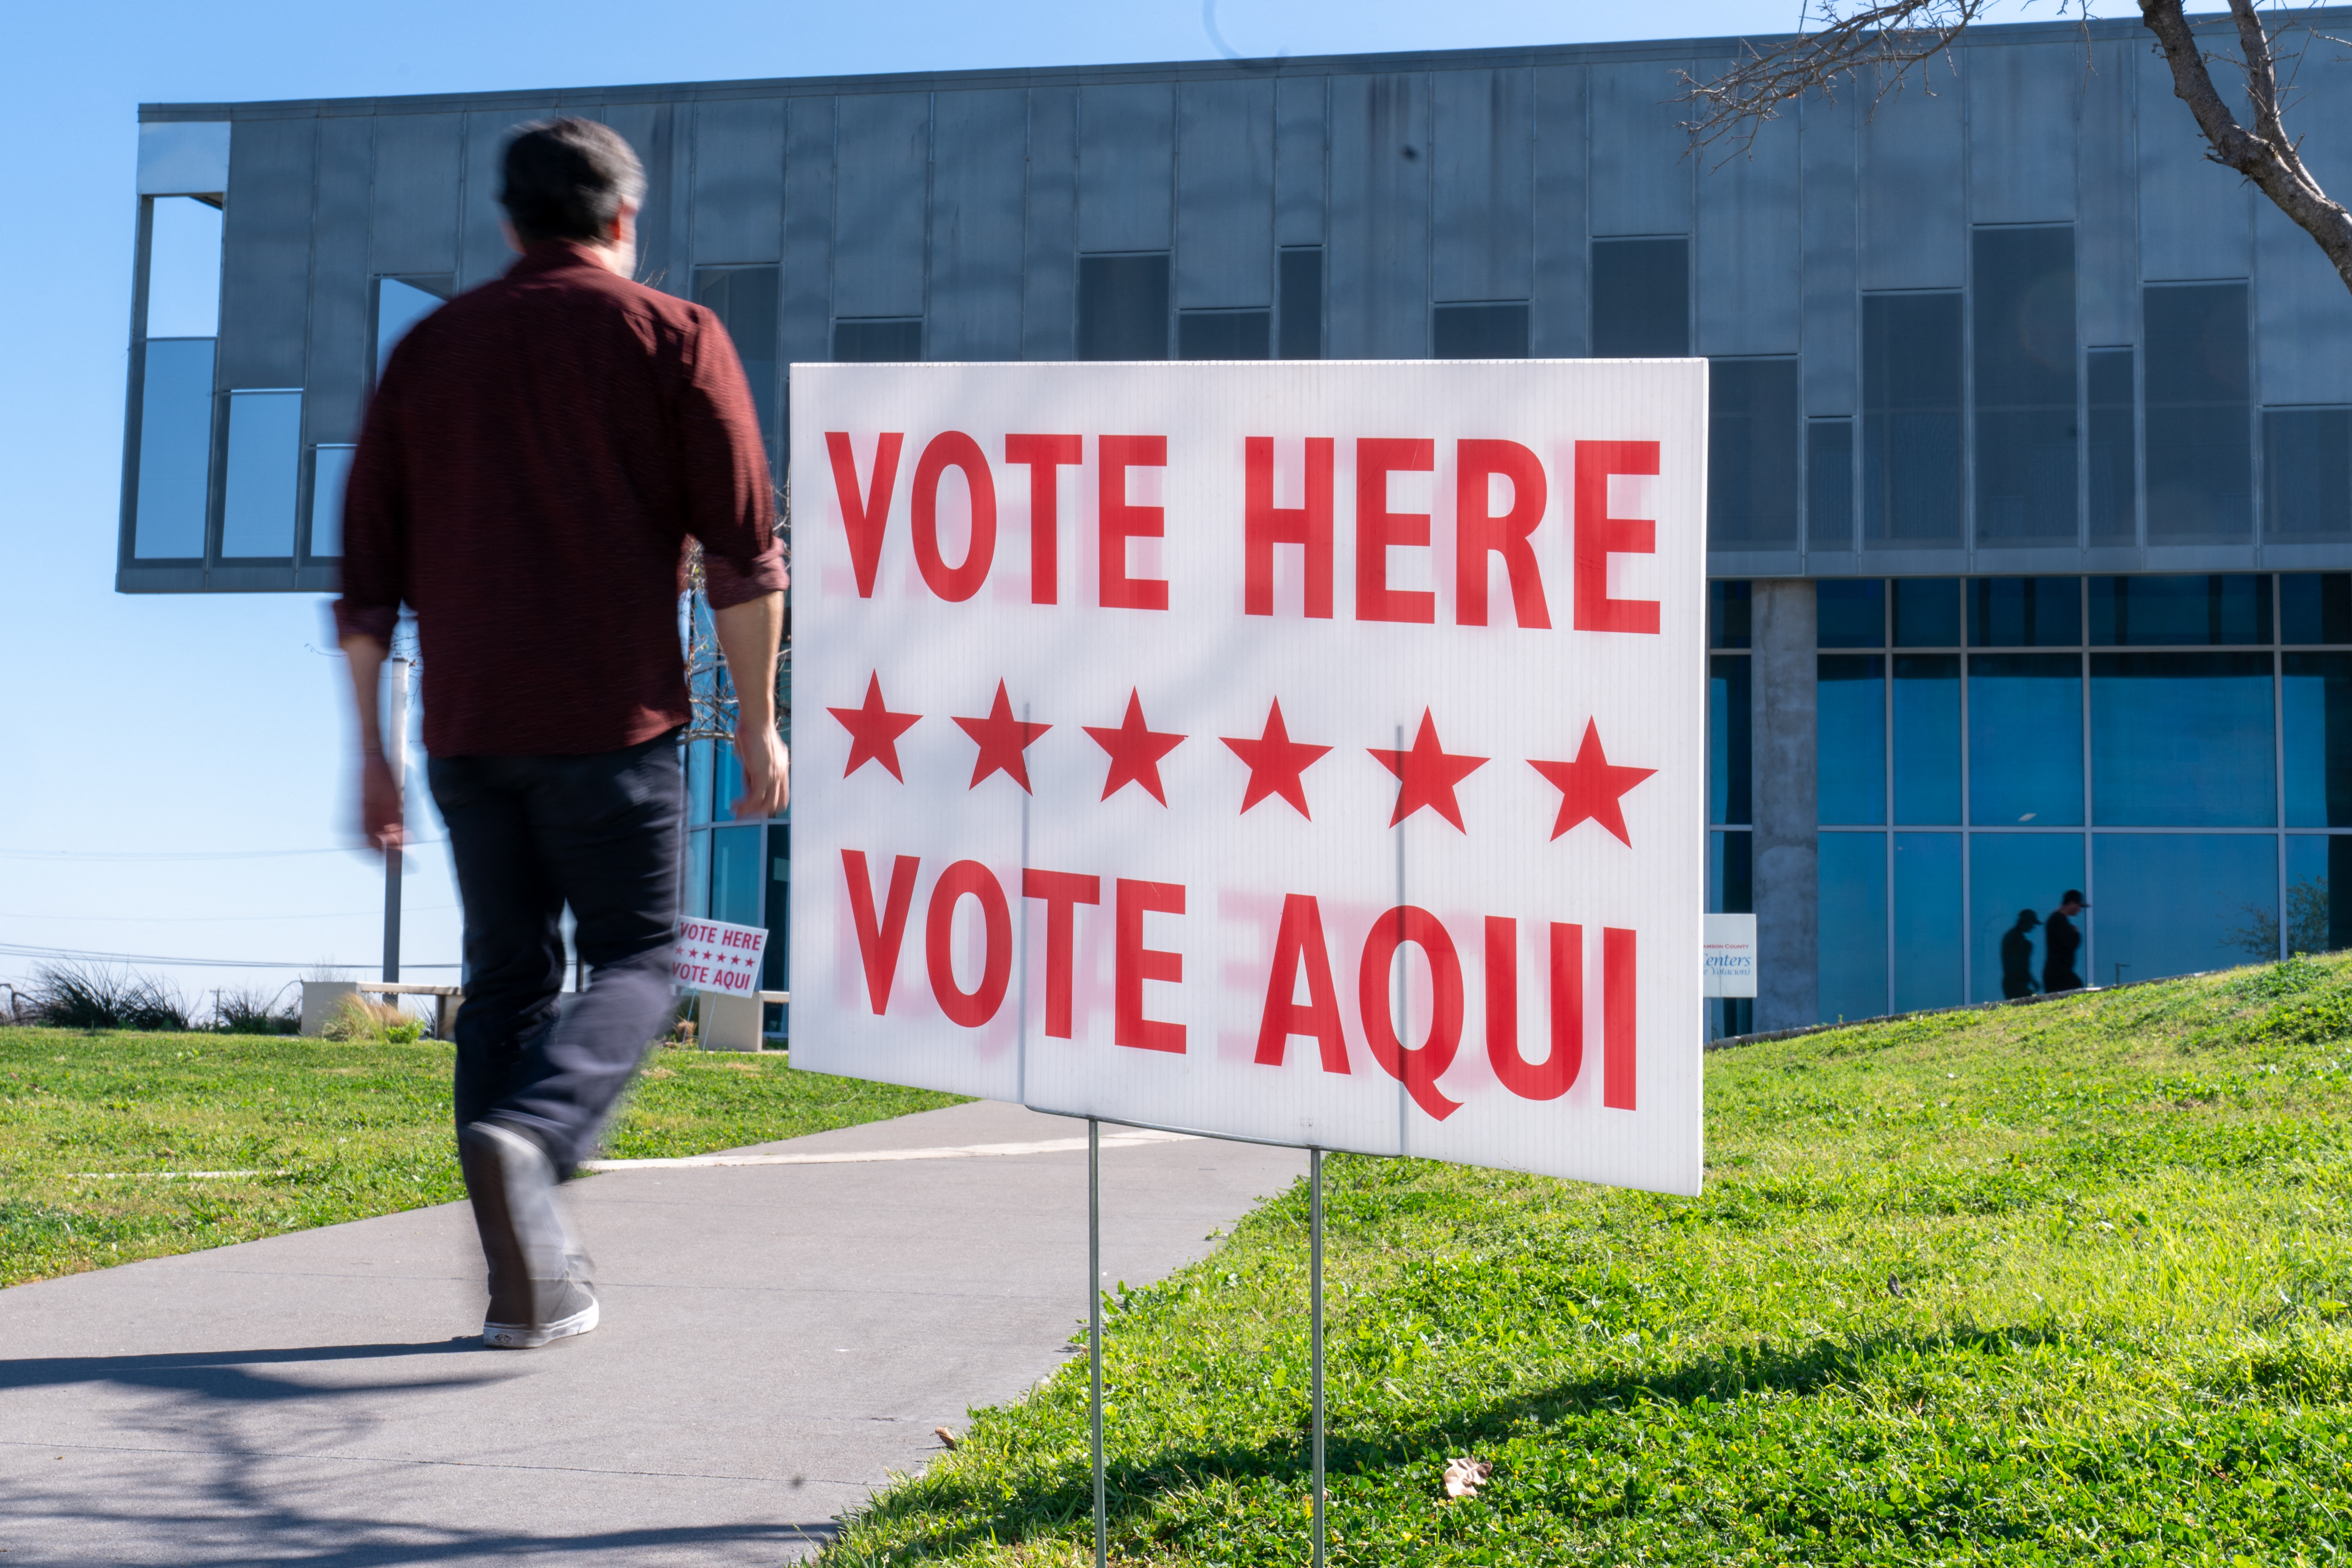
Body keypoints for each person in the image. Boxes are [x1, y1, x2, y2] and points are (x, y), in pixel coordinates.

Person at [335, 118, 788, 1350]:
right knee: (640, 959)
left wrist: (371, 750)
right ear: (623, 219)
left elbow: (366, 581)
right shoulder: (674, 336)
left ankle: (522, 1290)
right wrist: (757, 722)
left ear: (510, 222)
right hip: (612, 720)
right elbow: (745, 557)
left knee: (506, 983)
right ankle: (535, 1139)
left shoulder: (430, 351)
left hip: (470, 729)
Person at [2042, 890, 2088, 995]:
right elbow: (2070, 943)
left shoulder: (2058, 920)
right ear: (2071, 903)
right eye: (2079, 906)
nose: (2080, 910)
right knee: (2078, 992)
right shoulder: (2058, 920)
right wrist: (2076, 933)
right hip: (2059, 974)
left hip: (2060, 972)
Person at [1999, 909, 2041, 1001]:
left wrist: (2032, 981)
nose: (2033, 927)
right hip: (2014, 983)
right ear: (2026, 922)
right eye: (2032, 923)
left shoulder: (2018, 937)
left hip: (2017, 983)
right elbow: (2015, 965)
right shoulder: (2015, 938)